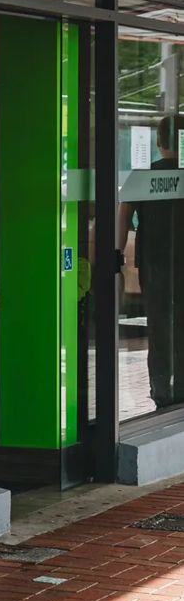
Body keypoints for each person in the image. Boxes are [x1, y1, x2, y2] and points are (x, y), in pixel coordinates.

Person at [121, 111, 184, 411]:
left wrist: (115, 256)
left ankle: (162, 390)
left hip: (153, 263)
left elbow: (122, 216)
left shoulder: (144, 174)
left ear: (158, 141)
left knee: (159, 327)